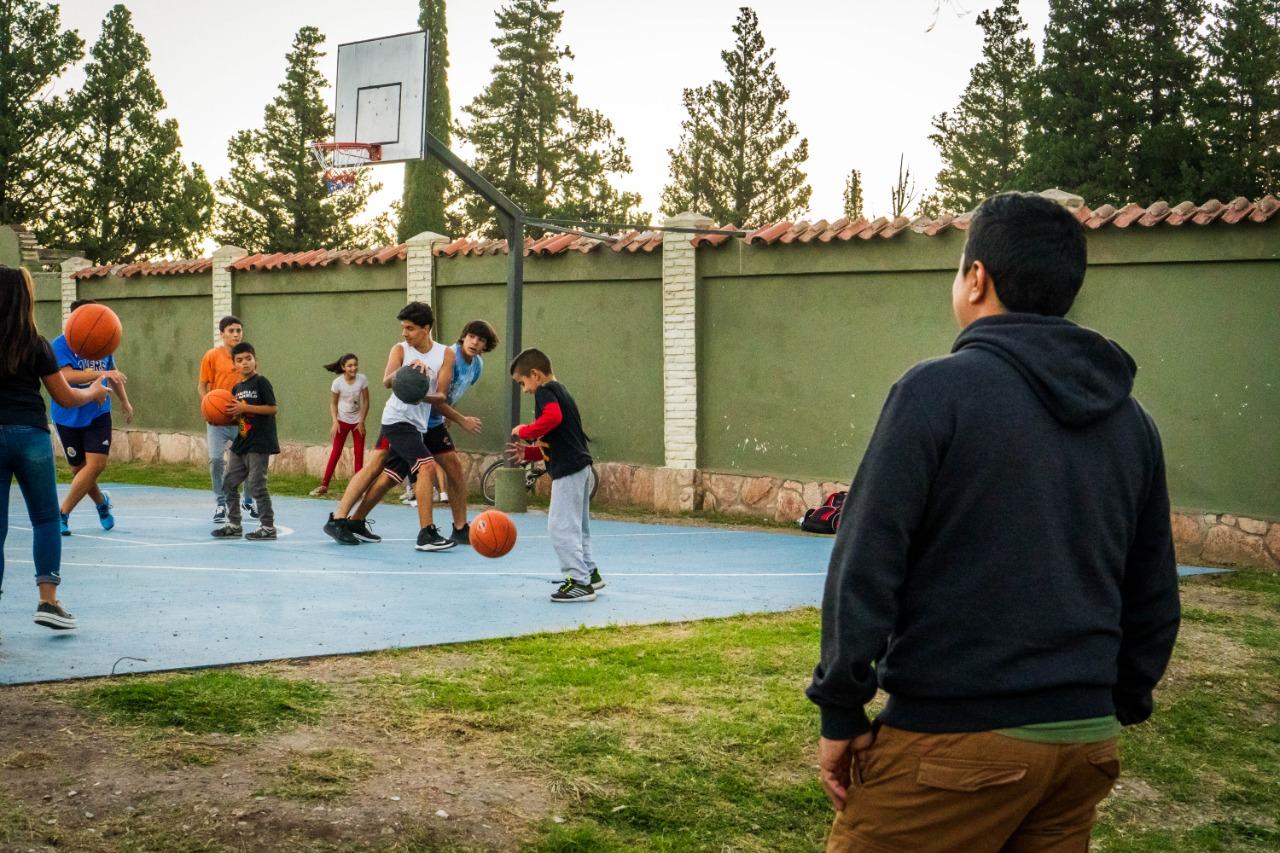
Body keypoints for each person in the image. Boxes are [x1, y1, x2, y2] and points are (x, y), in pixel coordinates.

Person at [806, 192, 1180, 852]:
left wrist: (841, 707)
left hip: (954, 741)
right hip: (1084, 744)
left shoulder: (934, 392)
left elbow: (865, 560)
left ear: (976, 277)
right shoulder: (1133, 422)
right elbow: (1153, 589)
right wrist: (1117, 696)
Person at [0, 266, 110, 631]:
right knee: (46, 519)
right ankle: (48, 602)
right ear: (24, 299)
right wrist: (93, 391)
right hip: (30, 436)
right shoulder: (36, 343)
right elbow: (64, 395)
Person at [322, 301, 456, 551]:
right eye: (403, 327)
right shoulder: (401, 349)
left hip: (417, 424)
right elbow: (386, 381)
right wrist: (407, 373)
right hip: (397, 419)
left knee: (386, 473)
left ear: (426, 328)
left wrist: (421, 392)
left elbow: (441, 396)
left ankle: (353, 521)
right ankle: (426, 534)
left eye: (410, 328)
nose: (404, 333)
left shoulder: (445, 353)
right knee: (426, 467)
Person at [350, 320, 495, 544]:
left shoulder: (476, 366)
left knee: (452, 467)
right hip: (412, 420)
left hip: (434, 422)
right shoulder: (449, 356)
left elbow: (451, 395)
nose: (475, 343)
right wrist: (460, 419)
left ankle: (460, 527)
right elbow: (435, 396)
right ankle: (354, 519)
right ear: (464, 337)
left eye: (481, 340)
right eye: (472, 336)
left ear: (486, 346)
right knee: (389, 475)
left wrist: (449, 414)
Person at [506, 348, 603, 602]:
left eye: (522, 382)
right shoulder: (562, 391)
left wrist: (526, 430)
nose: (524, 389)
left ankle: (579, 582)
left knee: (560, 527)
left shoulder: (545, 391)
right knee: (578, 528)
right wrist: (530, 454)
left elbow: (553, 418)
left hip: (569, 471)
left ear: (535, 375)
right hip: (580, 466)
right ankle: (590, 574)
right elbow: (558, 440)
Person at [50, 299, 135, 536]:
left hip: (98, 413)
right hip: (67, 415)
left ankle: (63, 513)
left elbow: (113, 373)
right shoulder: (60, 344)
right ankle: (101, 504)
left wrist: (125, 402)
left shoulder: (103, 339)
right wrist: (102, 373)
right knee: (79, 471)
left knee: (96, 465)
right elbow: (65, 376)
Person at [212, 342, 279, 540]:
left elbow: (272, 408)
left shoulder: (261, 382)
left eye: (248, 359)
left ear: (255, 361)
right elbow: (238, 415)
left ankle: (268, 527)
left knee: (257, 485)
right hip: (242, 442)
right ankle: (234, 524)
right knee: (229, 484)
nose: (245, 363)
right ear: (234, 365)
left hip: (259, 443)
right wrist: (219, 417)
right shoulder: (236, 387)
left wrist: (245, 408)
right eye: (240, 360)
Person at [199, 315, 255, 525]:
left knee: (250, 461)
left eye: (239, 330)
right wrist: (206, 406)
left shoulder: (246, 358)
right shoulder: (212, 356)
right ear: (222, 333)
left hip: (241, 419)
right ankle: (221, 502)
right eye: (231, 331)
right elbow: (202, 385)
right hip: (218, 420)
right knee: (215, 461)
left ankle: (248, 501)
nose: (235, 334)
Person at [309, 353, 368, 497]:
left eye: (355, 364)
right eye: (349, 365)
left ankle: (358, 488)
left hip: (357, 423)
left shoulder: (362, 379)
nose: (353, 368)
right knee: (336, 452)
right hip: (342, 421)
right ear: (343, 367)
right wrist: (335, 421)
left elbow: (366, 401)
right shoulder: (337, 383)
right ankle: (324, 485)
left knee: (359, 453)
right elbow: (333, 403)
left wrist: (362, 421)